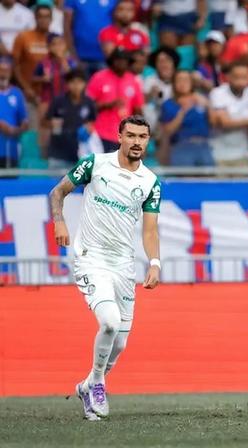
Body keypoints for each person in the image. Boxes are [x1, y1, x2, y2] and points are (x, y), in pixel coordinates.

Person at [48, 115, 161, 421]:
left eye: (142, 137)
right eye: (131, 135)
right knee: (109, 322)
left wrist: (154, 262)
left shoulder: (150, 182)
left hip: (123, 265)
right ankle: (98, 383)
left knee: (120, 342)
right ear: (119, 137)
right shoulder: (95, 164)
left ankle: (87, 386)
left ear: (148, 141)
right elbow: (58, 192)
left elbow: (150, 230)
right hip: (91, 257)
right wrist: (59, 221)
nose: (136, 142)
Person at [208, 61, 248, 170]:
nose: (240, 81)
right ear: (228, 77)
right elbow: (225, 123)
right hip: (219, 154)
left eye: (244, 77)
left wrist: (234, 121)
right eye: (237, 77)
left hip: (243, 154)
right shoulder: (218, 93)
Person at [86, 48, 145, 153]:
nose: (121, 62)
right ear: (112, 61)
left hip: (125, 136)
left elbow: (138, 109)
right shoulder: (99, 77)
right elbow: (87, 105)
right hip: (100, 134)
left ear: (128, 63)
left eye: (124, 60)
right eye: (118, 59)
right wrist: (107, 105)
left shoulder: (133, 80)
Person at [44, 68, 96, 169]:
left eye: (79, 82)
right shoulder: (58, 101)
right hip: (58, 153)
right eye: (73, 82)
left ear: (85, 84)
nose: (76, 86)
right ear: (67, 84)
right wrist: (52, 124)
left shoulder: (89, 103)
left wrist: (89, 129)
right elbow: (44, 121)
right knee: (57, 179)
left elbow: (92, 123)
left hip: (80, 155)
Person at [160, 70, 213, 167]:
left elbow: (213, 123)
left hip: (204, 146)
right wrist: (183, 112)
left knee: (208, 176)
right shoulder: (168, 104)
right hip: (181, 147)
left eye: (186, 80)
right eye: (179, 80)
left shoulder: (201, 99)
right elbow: (167, 131)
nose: (182, 83)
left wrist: (208, 106)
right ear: (174, 84)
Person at [0, 57, 28, 168]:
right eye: (1, 70)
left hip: (11, 150)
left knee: (11, 176)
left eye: (6, 70)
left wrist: (17, 130)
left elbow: (24, 120)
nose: (3, 74)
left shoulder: (17, 93)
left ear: (11, 73)